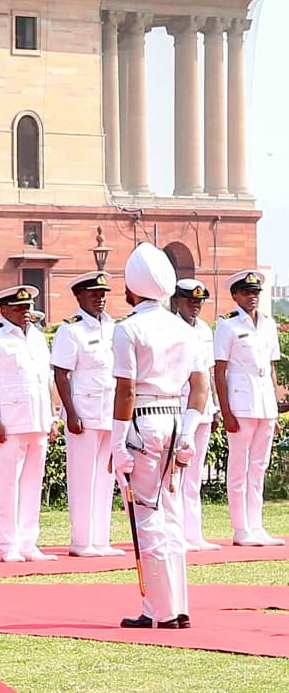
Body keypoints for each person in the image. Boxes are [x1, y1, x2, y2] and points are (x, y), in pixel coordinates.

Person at [112, 242, 208, 629]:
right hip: (175, 420)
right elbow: (200, 385)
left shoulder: (128, 328)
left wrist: (118, 442)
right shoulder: (185, 329)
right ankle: (174, 607)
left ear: (131, 288)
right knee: (171, 515)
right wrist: (188, 430)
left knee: (147, 515)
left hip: (143, 423)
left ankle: (162, 612)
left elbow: (126, 390)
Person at [0, 284, 56, 563]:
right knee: (8, 483)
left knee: (33, 483)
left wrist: (52, 417)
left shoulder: (37, 338)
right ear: (4, 309)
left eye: (28, 308)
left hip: (38, 420)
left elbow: (46, 380)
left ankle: (28, 543)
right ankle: (8, 543)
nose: (25, 313)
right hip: (8, 422)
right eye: (19, 308)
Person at [213, 270, 284, 547]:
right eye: (246, 292)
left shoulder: (267, 324)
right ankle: (240, 527)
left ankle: (257, 525)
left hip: (265, 404)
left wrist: (275, 410)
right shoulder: (227, 325)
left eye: (255, 292)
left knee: (259, 467)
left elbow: (272, 369)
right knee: (239, 468)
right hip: (241, 404)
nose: (252, 297)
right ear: (235, 295)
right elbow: (220, 371)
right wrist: (226, 411)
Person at [51, 271, 117, 557]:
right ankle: (81, 541)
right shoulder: (71, 330)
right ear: (79, 297)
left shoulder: (114, 327)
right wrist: (71, 412)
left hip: (110, 410)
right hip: (84, 411)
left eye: (103, 294)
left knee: (106, 477)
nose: (100, 299)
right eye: (93, 294)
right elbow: (61, 374)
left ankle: (101, 538)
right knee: (82, 477)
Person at [171, 278, 220, 551]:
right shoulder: (170, 328)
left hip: (202, 409)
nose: (195, 305)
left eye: (199, 301)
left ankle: (194, 533)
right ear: (177, 300)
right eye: (190, 300)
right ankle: (176, 532)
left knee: (195, 475)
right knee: (175, 475)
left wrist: (213, 410)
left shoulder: (204, 329)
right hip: (179, 407)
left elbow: (208, 374)